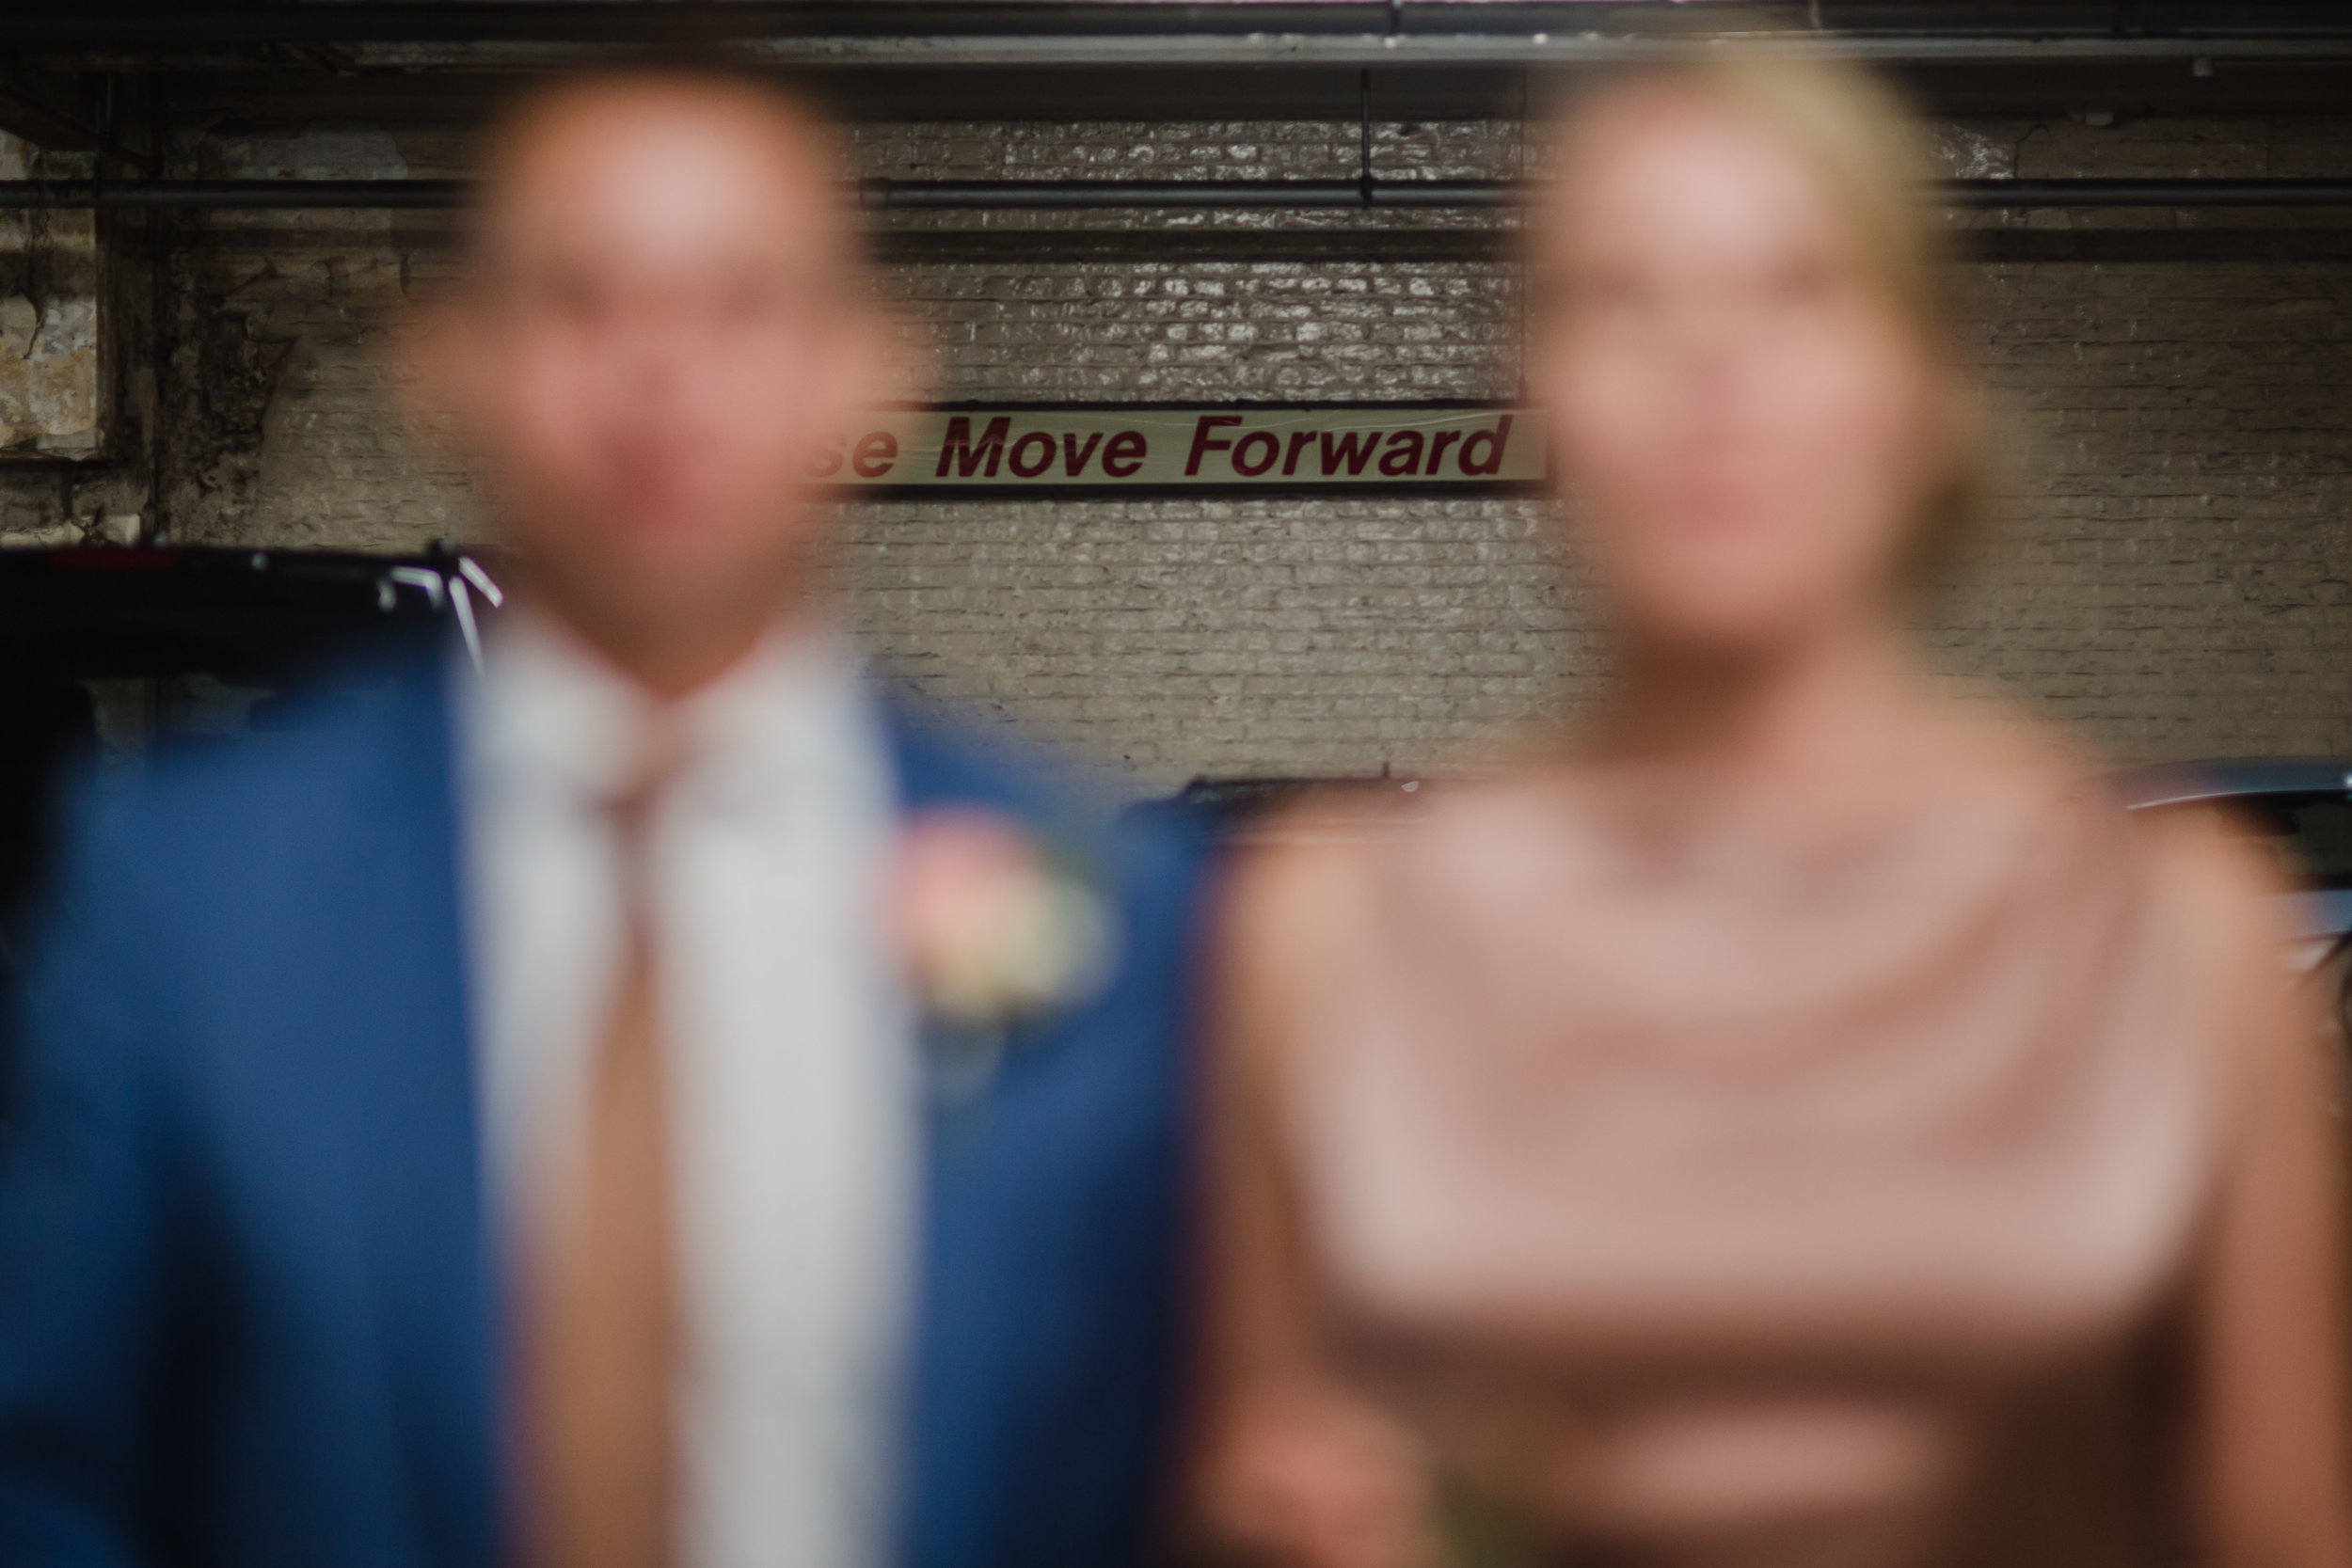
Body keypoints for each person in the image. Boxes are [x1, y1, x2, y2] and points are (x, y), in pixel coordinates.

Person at [0, 67, 1206, 1568]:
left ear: (873, 372)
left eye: (741, 304)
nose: (659, 370)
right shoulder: (185, 886)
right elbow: (52, 1467)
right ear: (445, 361)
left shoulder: (1103, 899)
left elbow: (1154, 1471)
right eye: (578, 299)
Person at [1194, 54, 2352, 1568]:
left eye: (1798, 290)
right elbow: (1254, 1463)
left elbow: (2286, 1530)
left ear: (1928, 383)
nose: (1708, 368)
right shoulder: (1327, 930)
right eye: (1622, 298)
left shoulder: (2170, 928)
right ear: (1531, 393)